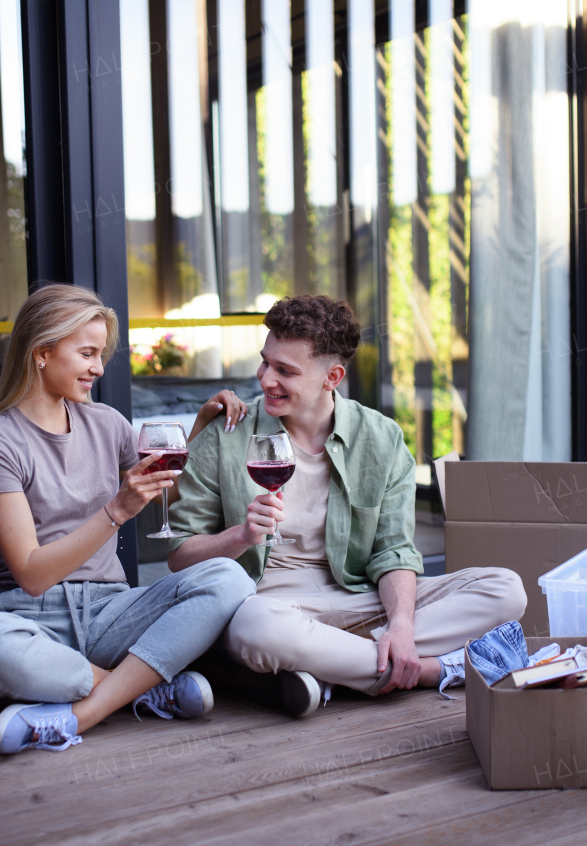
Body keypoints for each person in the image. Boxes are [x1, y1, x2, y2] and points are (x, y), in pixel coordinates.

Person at [168, 295, 527, 717]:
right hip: (268, 603)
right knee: (254, 628)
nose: (266, 379)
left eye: (286, 371)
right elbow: (179, 556)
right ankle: (433, 670)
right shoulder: (228, 434)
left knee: (505, 590)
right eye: (266, 362)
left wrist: (402, 626)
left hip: (360, 596)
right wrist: (241, 536)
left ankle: (328, 667)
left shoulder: (381, 438)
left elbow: (393, 550)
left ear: (332, 377)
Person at [0, 284, 254, 754]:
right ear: (41, 353)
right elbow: (32, 575)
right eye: (87, 353)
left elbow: (161, 493)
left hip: (111, 611)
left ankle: (81, 713)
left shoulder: (107, 423)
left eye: (100, 354)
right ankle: (147, 689)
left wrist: (198, 429)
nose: (98, 367)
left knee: (227, 577)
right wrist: (116, 510)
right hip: (31, 617)